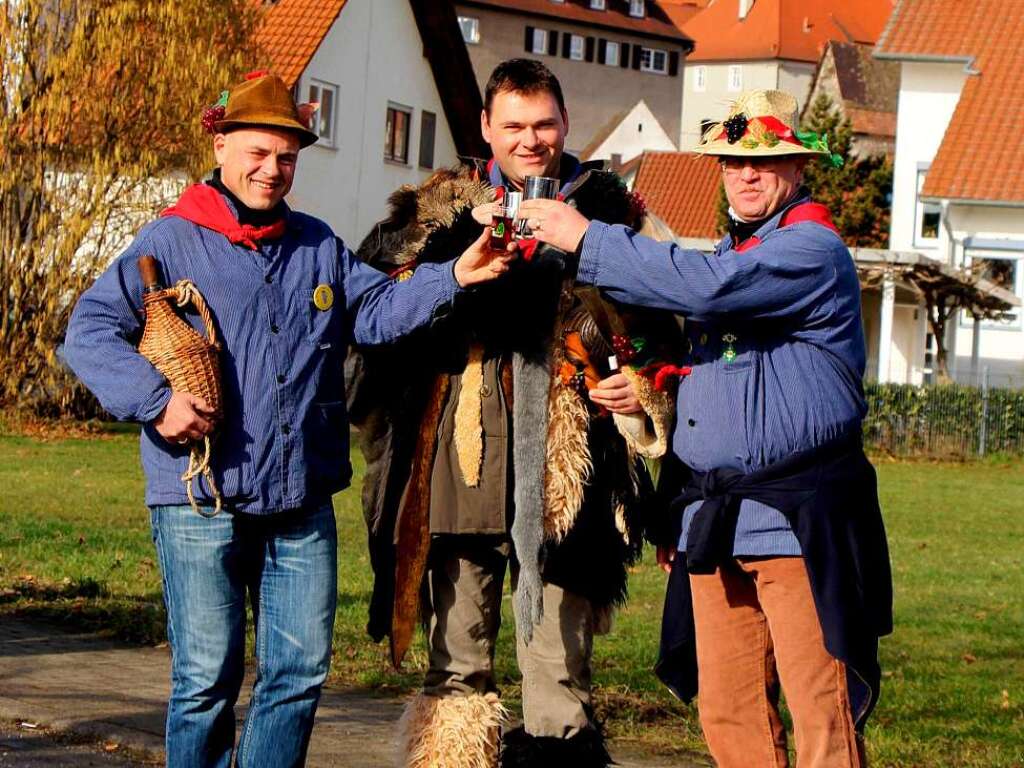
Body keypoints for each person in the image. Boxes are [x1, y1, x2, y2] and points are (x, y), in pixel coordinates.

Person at [63, 71, 511, 768]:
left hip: (301, 500)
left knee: (298, 677)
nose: (272, 170)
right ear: (221, 146)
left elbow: (376, 312)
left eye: (286, 157)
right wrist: (156, 401)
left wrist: (453, 276)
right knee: (206, 681)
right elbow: (88, 331)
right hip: (199, 498)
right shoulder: (172, 239)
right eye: (258, 153)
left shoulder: (316, 245)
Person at [518, 89, 893, 768]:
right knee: (728, 713)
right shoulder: (730, 250)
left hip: (797, 522)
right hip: (717, 522)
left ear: (800, 167)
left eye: (765, 161)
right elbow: (710, 392)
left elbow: (708, 287)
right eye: (730, 162)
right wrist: (669, 491)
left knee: (820, 716)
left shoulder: (809, 249)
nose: (746, 175)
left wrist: (584, 237)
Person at [346, 59, 678, 767]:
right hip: (459, 476)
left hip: (569, 486)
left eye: (545, 124)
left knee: (559, 683)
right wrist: (455, 275)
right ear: (486, 129)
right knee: (456, 678)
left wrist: (640, 388)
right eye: (515, 126)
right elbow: (373, 323)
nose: (532, 140)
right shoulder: (433, 215)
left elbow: (663, 335)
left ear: (565, 124)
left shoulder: (616, 215)